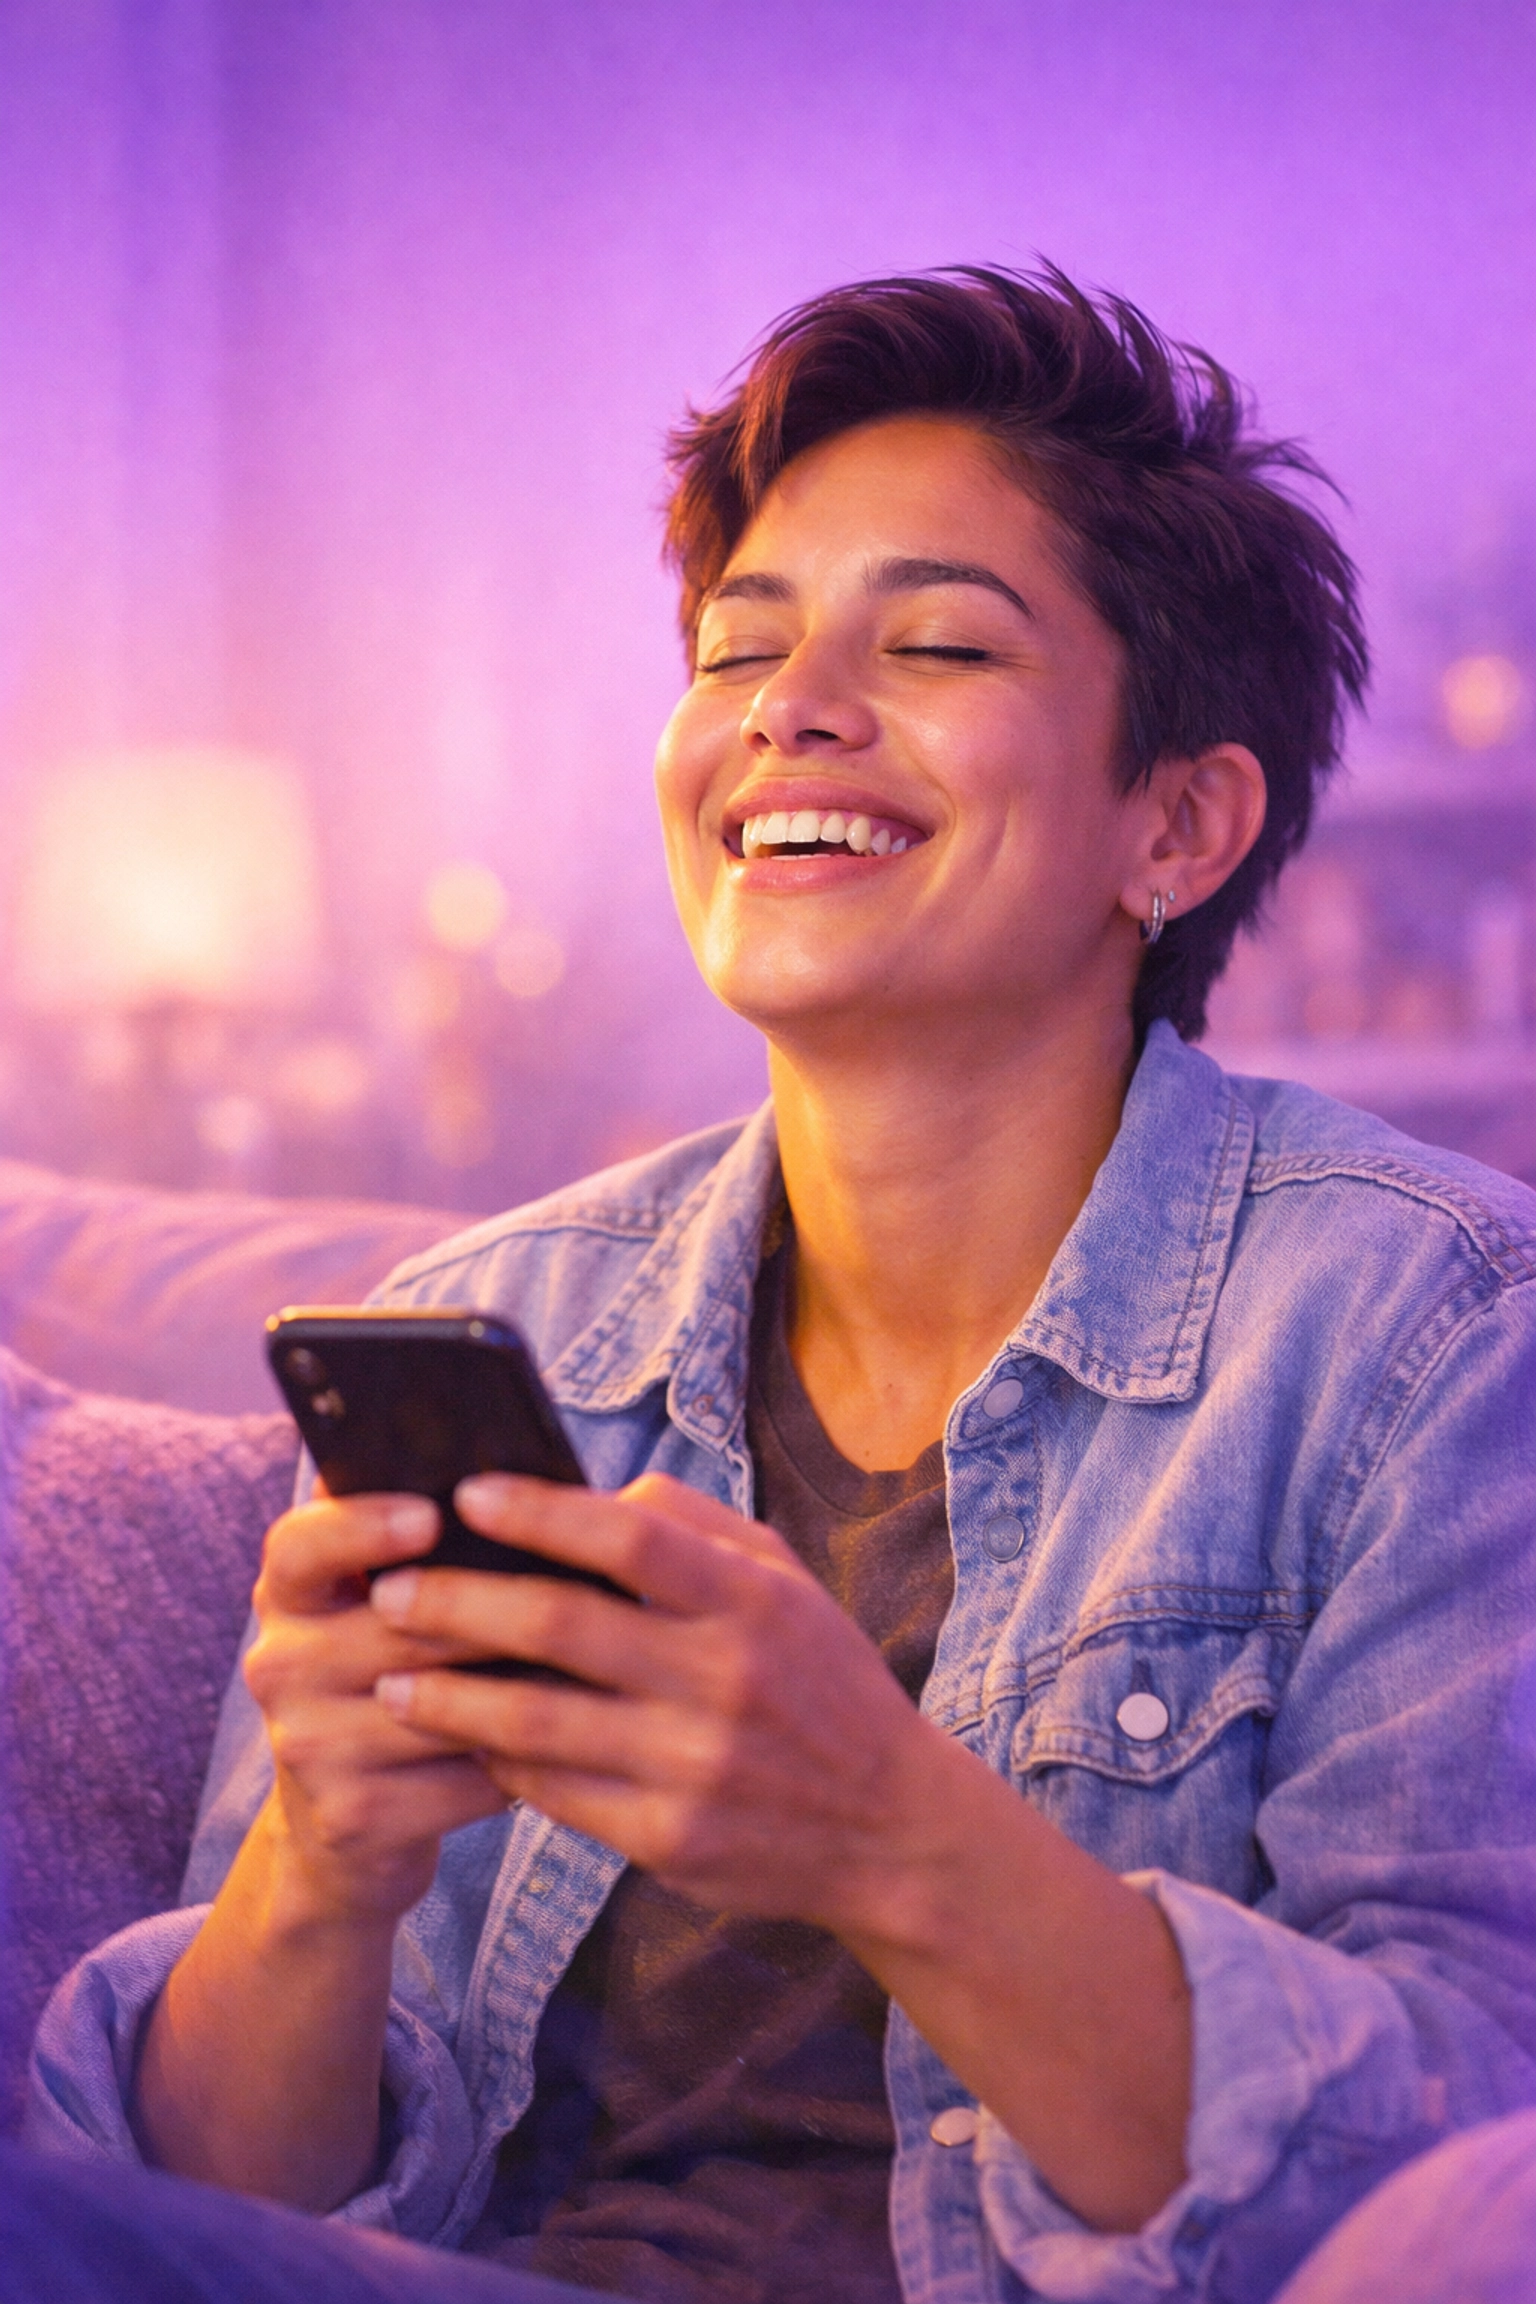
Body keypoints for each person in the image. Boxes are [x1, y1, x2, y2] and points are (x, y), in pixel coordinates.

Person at [28, 267, 1536, 2304]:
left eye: (928, 641)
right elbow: (219, 2215)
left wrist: (889, 1828)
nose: (787, 709)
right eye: (742, 646)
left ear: (1178, 824)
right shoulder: (515, 1318)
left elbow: (1467, 2157)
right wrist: (319, 1870)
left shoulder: (1436, 1331)